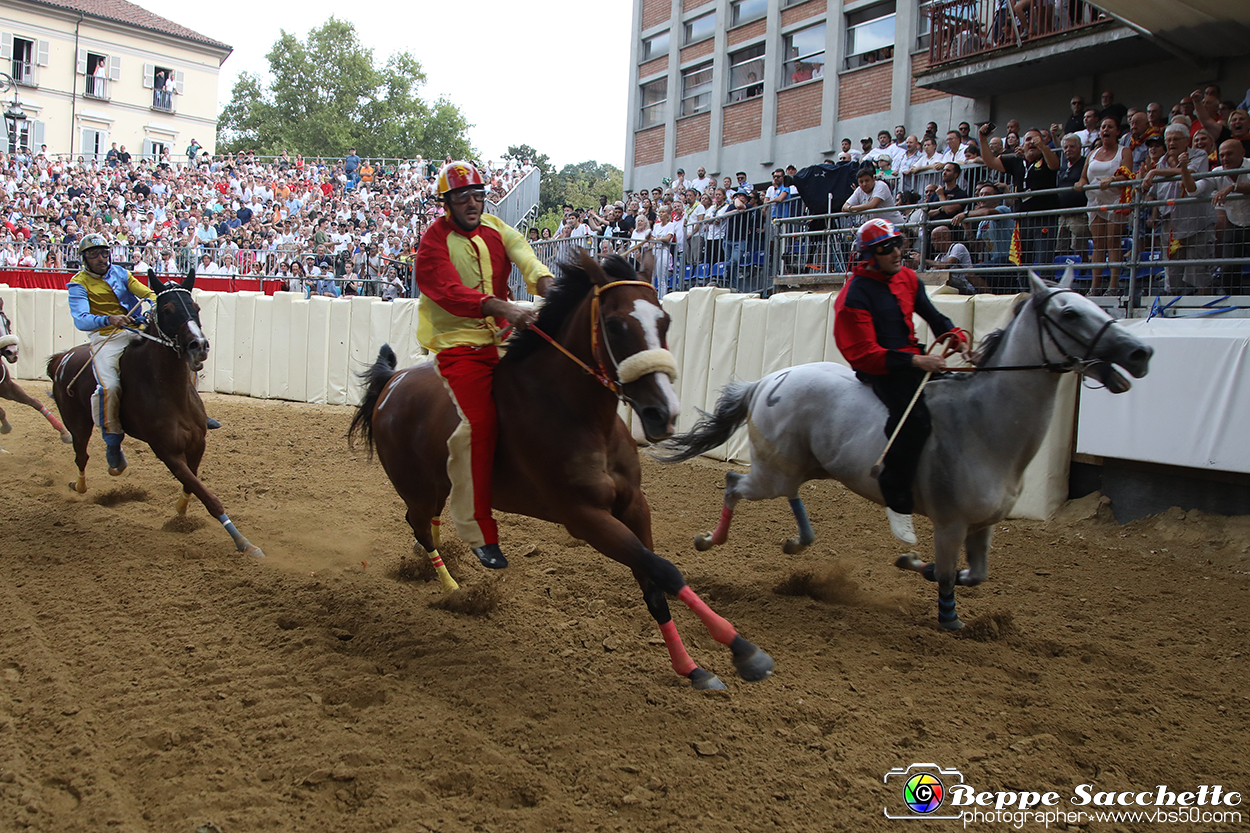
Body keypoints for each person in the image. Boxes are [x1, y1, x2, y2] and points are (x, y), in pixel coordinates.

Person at [414, 161, 554, 570]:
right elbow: (447, 290)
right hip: (459, 343)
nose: (473, 203)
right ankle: (477, 528)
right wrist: (500, 307)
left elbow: (524, 256)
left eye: (478, 195)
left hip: (503, 333)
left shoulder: (495, 227)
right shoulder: (433, 242)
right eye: (463, 197)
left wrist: (547, 284)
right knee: (477, 425)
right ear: (447, 203)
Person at [832, 219, 968, 544]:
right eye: (886, 248)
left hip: (911, 358)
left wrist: (958, 338)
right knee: (916, 419)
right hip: (882, 368)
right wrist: (919, 361)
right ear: (869, 255)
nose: (896, 252)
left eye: (898, 244)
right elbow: (865, 353)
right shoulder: (853, 295)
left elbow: (935, 317)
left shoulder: (908, 277)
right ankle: (896, 495)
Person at [66, 233, 158, 474]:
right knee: (110, 387)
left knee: (176, 353)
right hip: (106, 337)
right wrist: (109, 318)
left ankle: (196, 412)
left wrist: (154, 302)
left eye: (105, 253)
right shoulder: (78, 283)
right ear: (84, 258)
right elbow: (81, 320)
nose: (101, 258)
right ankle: (113, 442)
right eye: (94, 254)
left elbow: (147, 293)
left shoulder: (121, 273)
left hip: (137, 330)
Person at [1077, 117, 1132, 294]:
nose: (1105, 129)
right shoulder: (1092, 153)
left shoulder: (1124, 152)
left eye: (1110, 126)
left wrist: (1113, 179)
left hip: (1115, 199)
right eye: (1103, 127)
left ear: (1117, 131)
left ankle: (1113, 286)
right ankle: (1095, 286)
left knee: (1113, 242)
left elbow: (1127, 175)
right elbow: (1084, 176)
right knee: (1098, 243)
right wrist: (1081, 182)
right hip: (1095, 200)